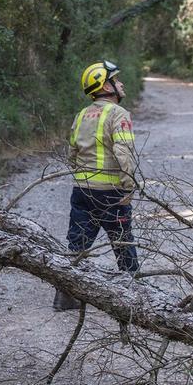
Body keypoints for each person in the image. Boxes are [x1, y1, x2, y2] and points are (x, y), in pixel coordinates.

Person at [54, 61, 139, 311]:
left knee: (77, 245)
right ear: (105, 86)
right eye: (116, 80)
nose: (121, 84)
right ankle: (134, 297)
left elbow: (72, 154)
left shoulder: (81, 115)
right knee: (123, 244)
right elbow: (123, 151)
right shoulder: (118, 114)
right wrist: (128, 185)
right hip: (111, 193)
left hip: (82, 190)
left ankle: (65, 296)